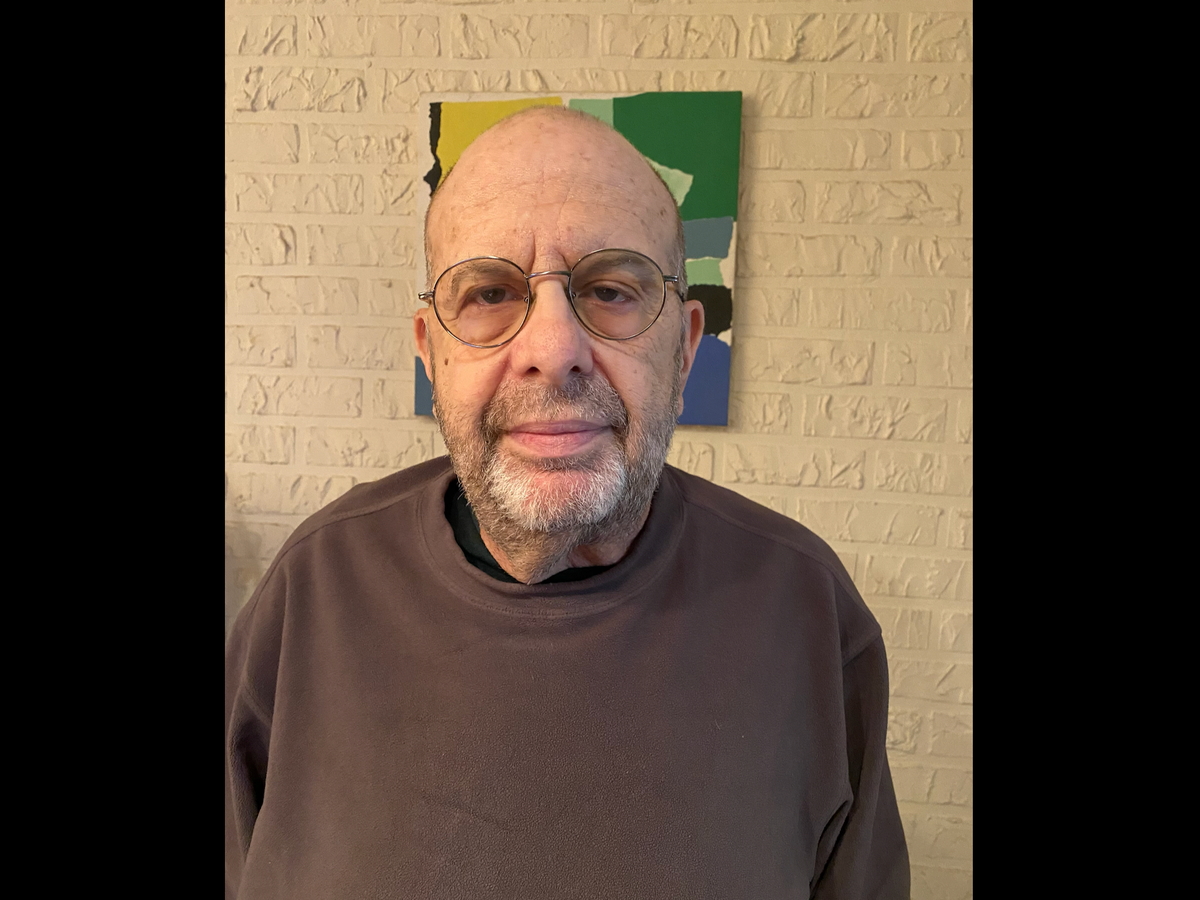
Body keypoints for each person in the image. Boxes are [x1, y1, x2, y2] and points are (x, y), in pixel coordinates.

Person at [225, 106, 910, 899]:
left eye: (611, 289)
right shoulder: (315, 586)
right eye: (489, 292)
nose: (553, 351)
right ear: (431, 352)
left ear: (686, 345)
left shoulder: (805, 609)